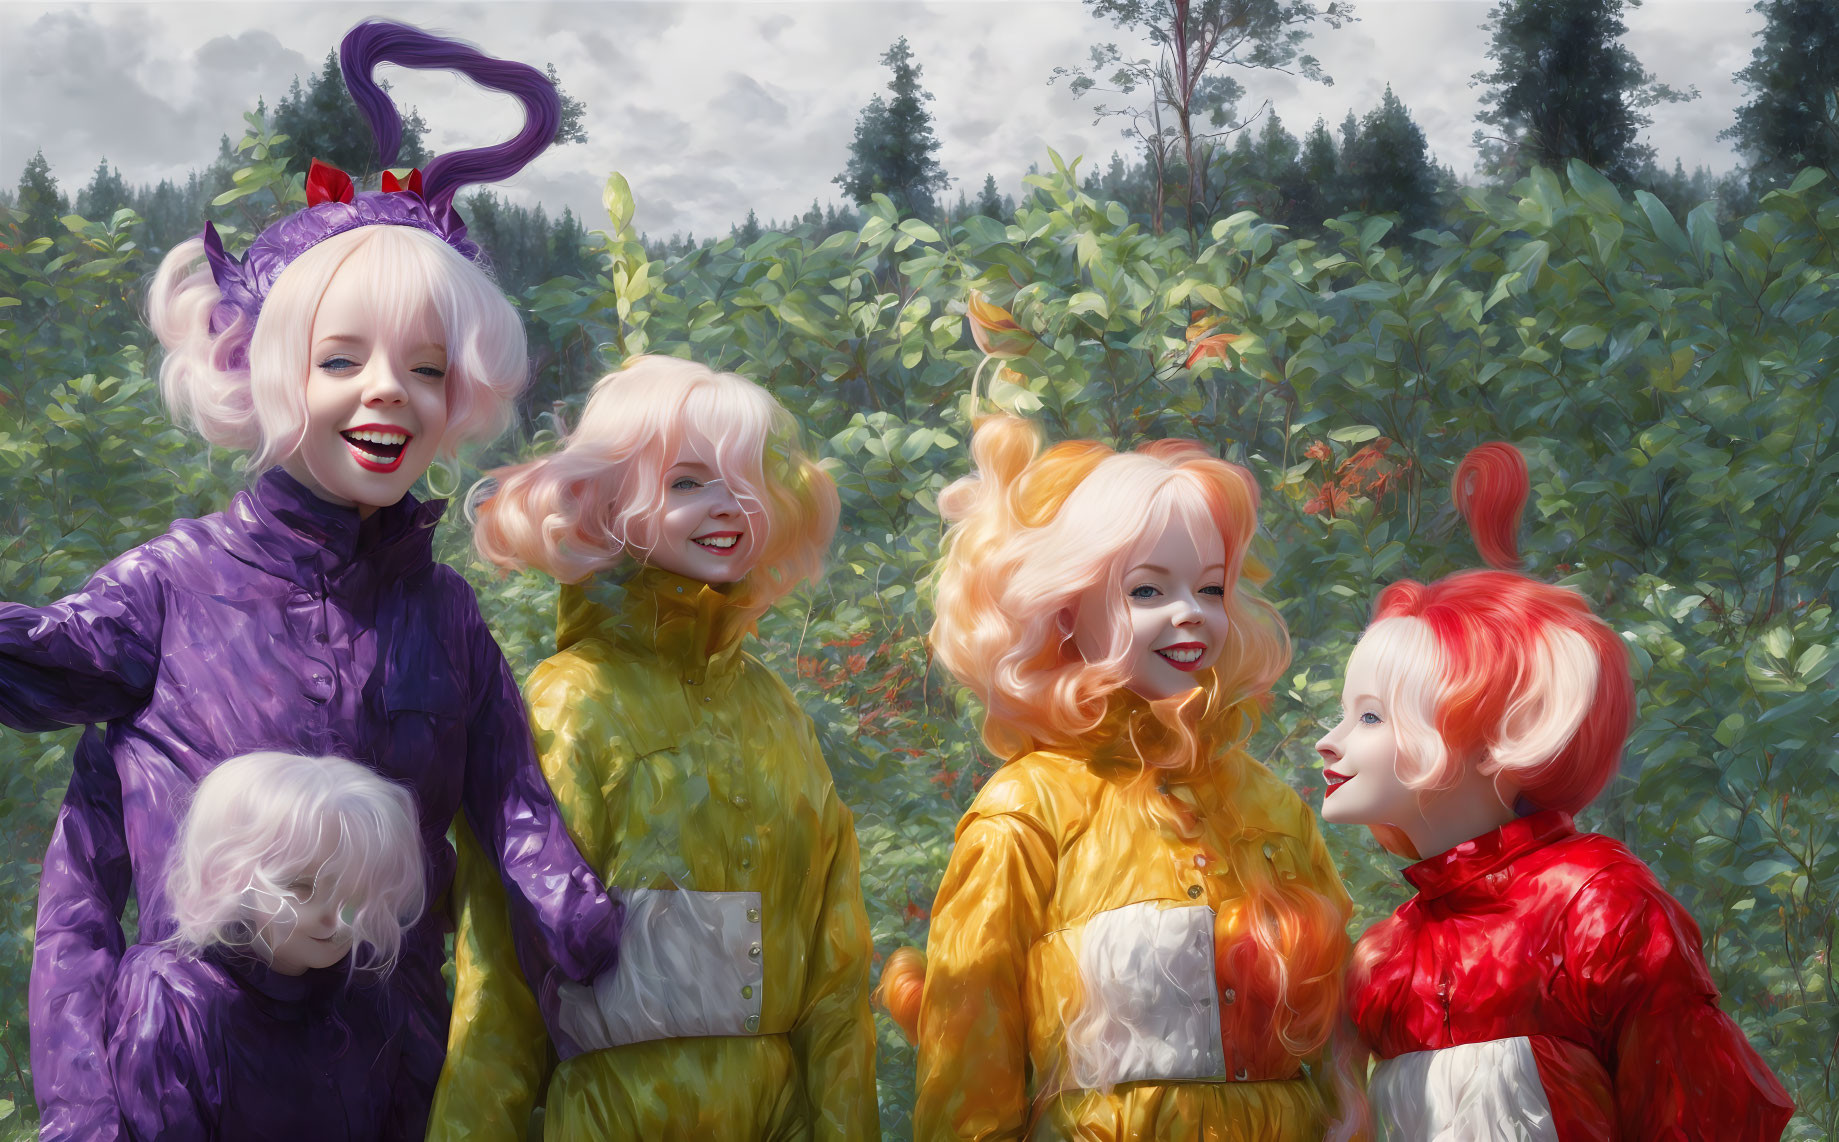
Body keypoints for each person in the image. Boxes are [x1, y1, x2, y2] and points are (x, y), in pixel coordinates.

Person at [2, 21, 623, 1140]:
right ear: (263, 370)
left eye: (425, 369)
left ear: (461, 395)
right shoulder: (172, 588)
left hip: (391, 1064)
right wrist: (82, 1110)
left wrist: (572, 909)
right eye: (342, 360)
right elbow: (78, 889)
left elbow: (508, 792)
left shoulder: (443, 615)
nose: (387, 394)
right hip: (188, 1077)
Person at [427, 355, 878, 1141]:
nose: (730, 505)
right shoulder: (571, 702)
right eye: (687, 482)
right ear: (607, 505)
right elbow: (499, 977)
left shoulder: (775, 711)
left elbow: (835, 975)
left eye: (748, 480)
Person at [884, 413, 1360, 1142]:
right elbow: (966, 1063)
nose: (1190, 616)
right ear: (1066, 611)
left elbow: (1338, 1049)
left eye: (1209, 589)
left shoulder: (1269, 806)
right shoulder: (1025, 809)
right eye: (1147, 592)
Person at [1318, 442, 1794, 1140]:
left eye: (1368, 716)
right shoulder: (1383, 959)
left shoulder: (1598, 907)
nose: (1329, 740)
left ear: (1495, 736)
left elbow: (1708, 1117)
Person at [107, 752, 425, 1140]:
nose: (336, 918)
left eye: (355, 892)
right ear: (229, 876)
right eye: (301, 888)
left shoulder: (365, 996)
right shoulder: (179, 997)